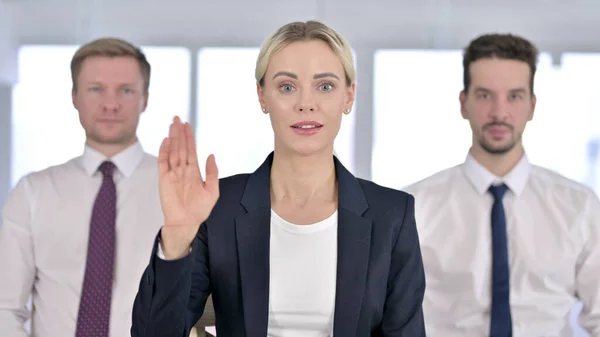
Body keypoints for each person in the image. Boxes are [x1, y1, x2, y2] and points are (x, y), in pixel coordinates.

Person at [131, 20, 426, 337]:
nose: (305, 103)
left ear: (349, 96)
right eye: (287, 87)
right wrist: (176, 237)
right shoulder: (217, 205)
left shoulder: (392, 214)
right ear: (262, 95)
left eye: (324, 86)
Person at [404, 33, 600, 336]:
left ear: (532, 106)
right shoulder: (415, 207)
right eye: (484, 95)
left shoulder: (580, 206)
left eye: (514, 96)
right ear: (463, 103)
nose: (499, 112)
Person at [0, 38, 164, 336]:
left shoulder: (177, 189)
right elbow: (5, 308)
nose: (111, 104)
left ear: (145, 99)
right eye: (95, 89)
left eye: (126, 90)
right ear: (74, 96)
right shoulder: (33, 192)